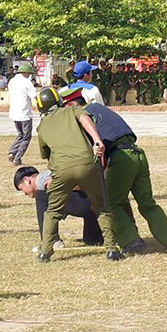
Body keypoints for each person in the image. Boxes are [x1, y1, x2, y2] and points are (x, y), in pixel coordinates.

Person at [60, 87, 167, 254]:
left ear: (71, 105)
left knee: (108, 203)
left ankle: (131, 242)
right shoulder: (99, 108)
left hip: (120, 157)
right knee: (147, 204)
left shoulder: (83, 117)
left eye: (65, 108)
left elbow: (94, 149)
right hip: (138, 154)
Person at [33, 87, 121, 262]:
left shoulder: (42, 127)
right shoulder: (72, 110)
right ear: (59, 101)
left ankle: (45, 252)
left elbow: (46, 155)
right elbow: (85, 118)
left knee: (52, 211)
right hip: (88, 164)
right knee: (101, 207)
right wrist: (97, 140)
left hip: (61, 169)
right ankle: (111, 249)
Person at [14, 166, 104, 247]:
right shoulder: (49, 174)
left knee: (41, 195)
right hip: (95, 207)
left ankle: (50, 240)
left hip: (89, 201)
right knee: (92, 241)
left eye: (21, 188)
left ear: (27, 180)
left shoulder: (43, 180)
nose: (24, 193)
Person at [7, 63, 38, 166]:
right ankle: (17, 158)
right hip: (24, 112)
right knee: (26, 136)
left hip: (14, 112)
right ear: (25, 73)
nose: (29, 75)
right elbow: (35, 95)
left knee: (20, 134)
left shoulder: (12, 81)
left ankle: (12, 151)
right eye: (29, 73)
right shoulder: (26, 82)